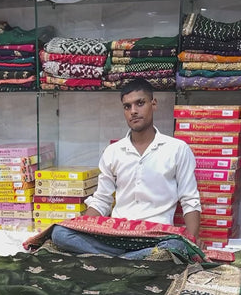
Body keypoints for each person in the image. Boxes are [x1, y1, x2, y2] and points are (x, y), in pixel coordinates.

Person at [51, 77, 202, 258]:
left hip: (156, 235)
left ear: (153, 104)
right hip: (117, 233)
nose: (133, 111)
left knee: (176, 246)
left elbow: (190, 200)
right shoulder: (113, 151)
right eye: (127, 106)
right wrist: (83, 228)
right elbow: (102, 200)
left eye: (140, 103)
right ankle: (131, 259)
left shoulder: (177, 149)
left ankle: (113, 260)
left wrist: (192, 238)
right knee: (59, 233)